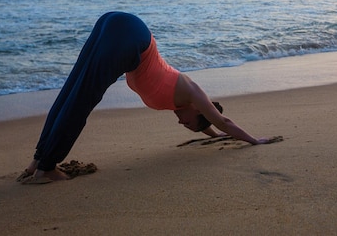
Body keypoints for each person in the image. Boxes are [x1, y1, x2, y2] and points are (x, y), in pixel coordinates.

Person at [20, 11, 274, 183]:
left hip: (115, 24)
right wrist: (254, 140)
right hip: (131, 36)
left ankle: (38, 160)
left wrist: (216, 136)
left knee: (72, 91)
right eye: (186, 123)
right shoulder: (193, 92)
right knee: (81, 101)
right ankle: (47, 167)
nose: (180, 123)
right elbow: (222, 121)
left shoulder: (186, 105)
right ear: (198, 110)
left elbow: (213, 127)